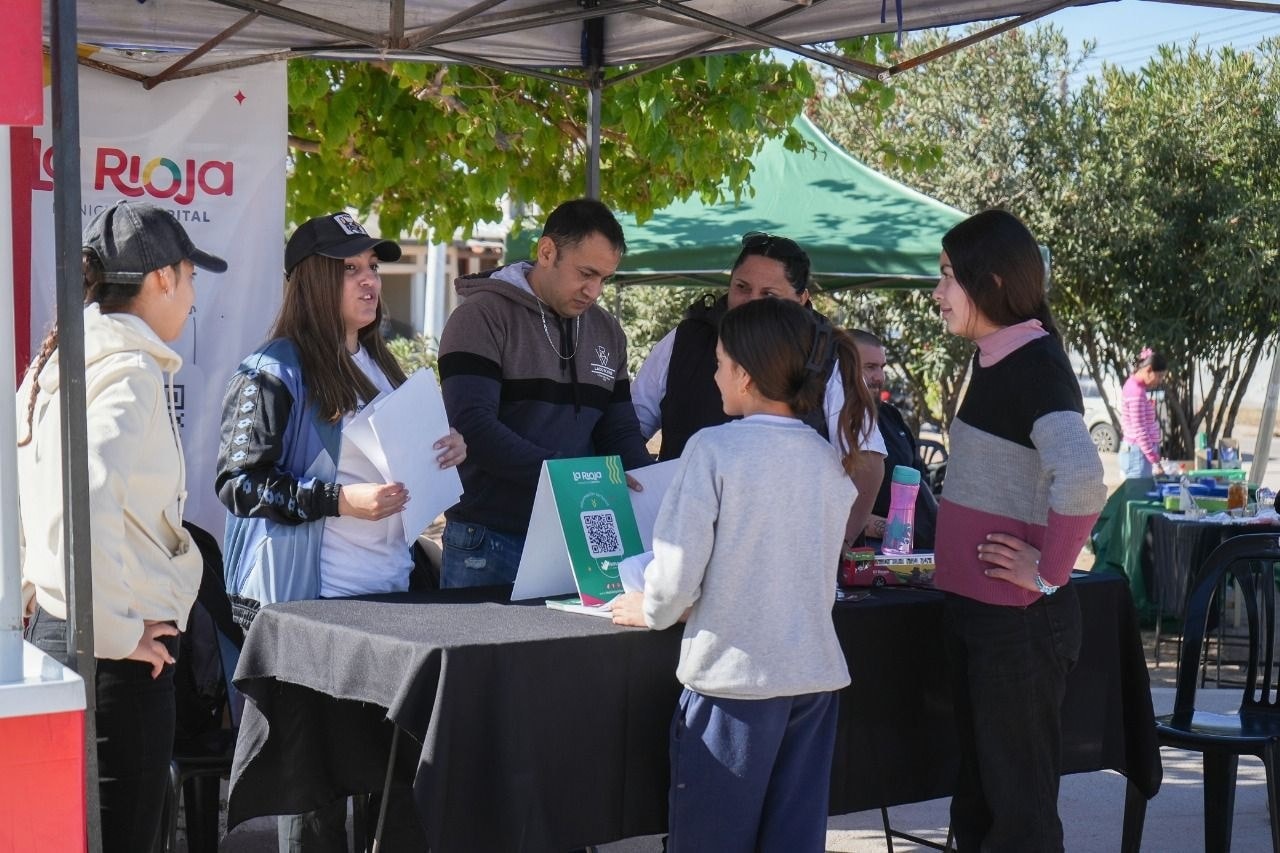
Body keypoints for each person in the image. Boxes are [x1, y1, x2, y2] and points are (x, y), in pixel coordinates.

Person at [215, 211, 465, 850]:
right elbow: (238, 483)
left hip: (390, 600)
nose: (370, 281)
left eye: (374, 267)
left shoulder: (382, 362)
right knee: (317, 789)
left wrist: (444, 451)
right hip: (313, 611)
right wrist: (337, 501)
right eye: (350, 269)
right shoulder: (274, 366)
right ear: (311, 281)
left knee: (389, 775)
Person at [610, 297, 873, 852]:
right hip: (814, 682)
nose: (713, 373)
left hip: (733, 684)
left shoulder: (713, 449)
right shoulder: (826, 457)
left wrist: (651, 608)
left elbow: (677, 570)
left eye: (720, 362)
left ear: (745, 375)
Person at [19, 200, 227, 852]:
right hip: (112, 651)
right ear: (163, 276)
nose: (194, 296)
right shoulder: (127, 370)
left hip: (64, 634)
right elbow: (84, 498)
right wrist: (115, 627)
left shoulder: (69, 360)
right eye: (191, 277)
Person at [930, 209, 1107, 852]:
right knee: (980, 808)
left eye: (949, 275)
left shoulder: (1033, 361)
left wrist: (1048, 571)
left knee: (1019, 817)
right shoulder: (996, 358)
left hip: (1019, 621)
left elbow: (1084, 481)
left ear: (993, 281)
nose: (937, 292)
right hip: (983, 614)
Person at [437, 198, 652, 587]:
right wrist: (568, 478)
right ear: (547, 251)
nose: (594, 290)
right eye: (586, 273)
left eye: (605, 278)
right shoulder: (479, 316)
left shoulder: (607, 332)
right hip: (489, 537)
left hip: (575, 536)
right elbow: (472, 426)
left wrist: (651, 488)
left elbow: (618, 432)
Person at [632, 231, 886, 545]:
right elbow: (630, 426)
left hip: (785, 551)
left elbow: (868, 461)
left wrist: (840, 543)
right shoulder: (686, 340)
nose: (752, 302)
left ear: (801, 299)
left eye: (769, 294)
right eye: (742, 288)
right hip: (680, 541)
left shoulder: (827, 358)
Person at [851, 329, 938, 549]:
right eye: (870, 367)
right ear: (842, 366)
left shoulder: (891, 416)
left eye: (882, 367)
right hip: (865, 554)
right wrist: (895, 531)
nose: (879, 377)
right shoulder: (828, 422)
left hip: (918, 555)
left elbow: (920, 482)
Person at [1117, 347, 1168, 479]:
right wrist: (1154, 458)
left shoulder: (1135, 386)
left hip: (1138, 452)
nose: (1160, 381)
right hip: (1138, 455)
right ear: (1149, 370)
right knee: (1137, 495)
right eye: (1160, 376)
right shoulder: (1136, 392)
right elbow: (1140, 430)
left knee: (1138, 495)